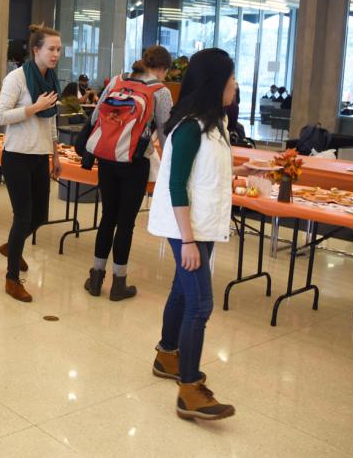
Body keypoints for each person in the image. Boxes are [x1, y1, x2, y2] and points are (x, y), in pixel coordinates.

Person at [148, 47, 253, 421]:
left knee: (182, 289)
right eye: (231, 78)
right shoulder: (192, 125)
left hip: (202, 222)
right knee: (201, 304)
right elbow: (177, 184)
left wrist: (241, 174)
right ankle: (189, 390)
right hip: (187, 226)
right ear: (215, 82)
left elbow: (203, 172)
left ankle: (167, 354)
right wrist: (188, 241)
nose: (235, 85)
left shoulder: (214, 122)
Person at [85, 45, 173, 301]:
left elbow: (94, 119)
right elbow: (166, 133)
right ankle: (118, 284)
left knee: (107, 218)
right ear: (163, 69)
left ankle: (95, 277)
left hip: (107, 159)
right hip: (135, 163)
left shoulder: (117, 81)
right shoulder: (160, 91)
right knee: (125, 224)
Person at [0, 24, 63, 303]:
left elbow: (52, 119)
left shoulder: (52, 80)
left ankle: (13, 245)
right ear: (36, 50)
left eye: (59, 49)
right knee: (23, 216)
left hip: (40, 155)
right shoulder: (17, 78)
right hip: (17, 155)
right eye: (51, 49)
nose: (56, 54)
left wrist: (56, 153)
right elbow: (0, 116)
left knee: (40, 216)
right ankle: (12, 279)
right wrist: (33, 108)